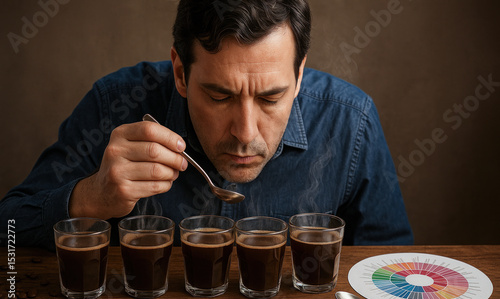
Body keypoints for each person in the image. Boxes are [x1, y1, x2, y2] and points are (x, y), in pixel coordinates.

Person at [0, 0, 413, 249]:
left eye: (271, 97)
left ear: (300, 74)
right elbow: (8, 231)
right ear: (180, 73)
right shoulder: (114, 105)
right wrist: (87, 199)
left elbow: (391, 266)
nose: (246, 133)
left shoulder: (350, 120)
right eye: (220, 97)